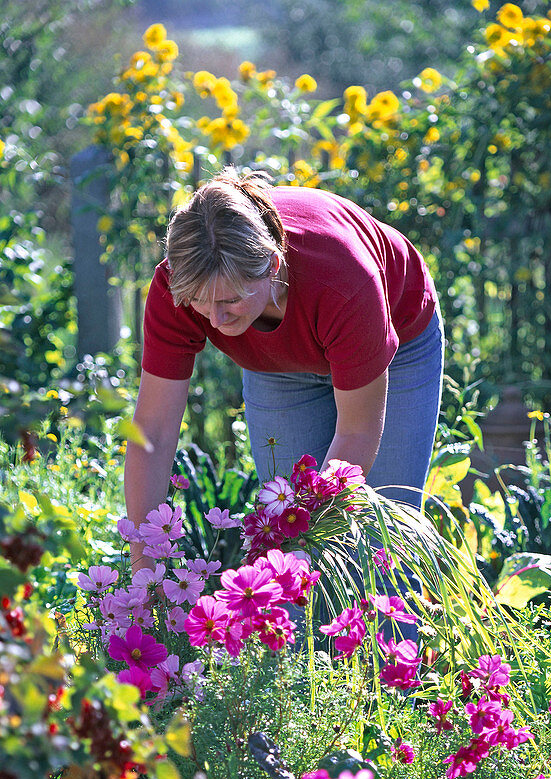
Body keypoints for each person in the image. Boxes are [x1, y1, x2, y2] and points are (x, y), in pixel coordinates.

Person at [124, 168, 445, 574]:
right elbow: (152, 433)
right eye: (201, 304)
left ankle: (396, 635)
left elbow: (356, 433)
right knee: (288, 550)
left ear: (272, 265)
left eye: (231, 300)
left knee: (383, 544)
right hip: (280, 368)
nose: (216, 319)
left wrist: (313, 531)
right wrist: (142, 572)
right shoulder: (179, 285)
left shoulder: (343, 281)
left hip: (396, 342)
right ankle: (301, 639)